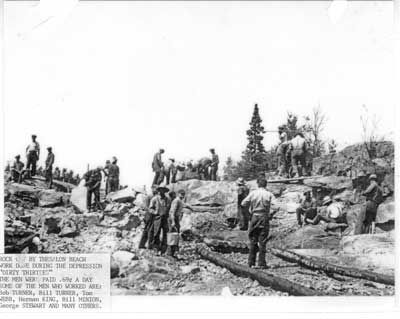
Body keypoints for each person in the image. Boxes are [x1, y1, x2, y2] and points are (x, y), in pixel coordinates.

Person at [241, 177, 276, 269]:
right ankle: (261, 263)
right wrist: (271, 214)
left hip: (254, 216)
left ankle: (251, 262)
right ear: (266, 185)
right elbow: (277, 206)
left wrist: (248, 214)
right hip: (264, 216)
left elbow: (243, 203)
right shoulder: (269, 194)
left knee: (253, 239)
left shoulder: (253, 193)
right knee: (262, 241)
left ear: (258, 184)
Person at [166, 189, 193, 257]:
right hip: (173, 218)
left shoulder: (180, 201)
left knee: (176, 234)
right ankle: (169, 253)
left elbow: (184, 205)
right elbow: (172, 212)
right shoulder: (176, 201)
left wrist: (190, 208)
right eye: (181, 194)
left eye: (183, 194)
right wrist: (173, 221)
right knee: (172, 235)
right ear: (178, 194)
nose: (182, 195)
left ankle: (173, 252)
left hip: (176, 218)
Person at [148, 184, 171, 254]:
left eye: (163, 190)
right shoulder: (155, 199)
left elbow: (169, 208)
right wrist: (155, 212)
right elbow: (150, 208)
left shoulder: (167, 199)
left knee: (165, 233)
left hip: (165, 218)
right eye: (161, 190)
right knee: (156, 233)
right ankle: (155, 248)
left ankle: (163, 249)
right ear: (159, 190)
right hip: (157, 218)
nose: (162, 191)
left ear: (165, 191)